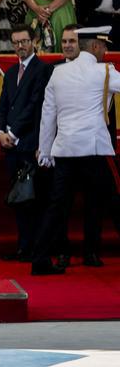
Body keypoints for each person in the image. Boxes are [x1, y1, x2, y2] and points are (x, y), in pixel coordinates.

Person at [31, 26, 120, 274]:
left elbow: (48, 116)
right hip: (94, 149)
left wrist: (46, 151)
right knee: (115, 200)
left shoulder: (58, 74)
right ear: (95, 47)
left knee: (57, 206)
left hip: (65, 149)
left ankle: (40, 259)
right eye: (104, 46)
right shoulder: (103, 71)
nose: (106, 51)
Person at [0, 24, 52, 261]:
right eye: (16, 42)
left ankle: (37, 248)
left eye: (24, 42)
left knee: (33, 199)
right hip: (10, 146)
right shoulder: (9, 73)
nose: (20, 46)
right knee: (18, 199)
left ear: (34, 41)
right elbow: (3, 106)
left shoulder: (43, 70)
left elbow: (35, 105)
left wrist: (14, 133)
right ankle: (23, 246)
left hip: (29, 144)